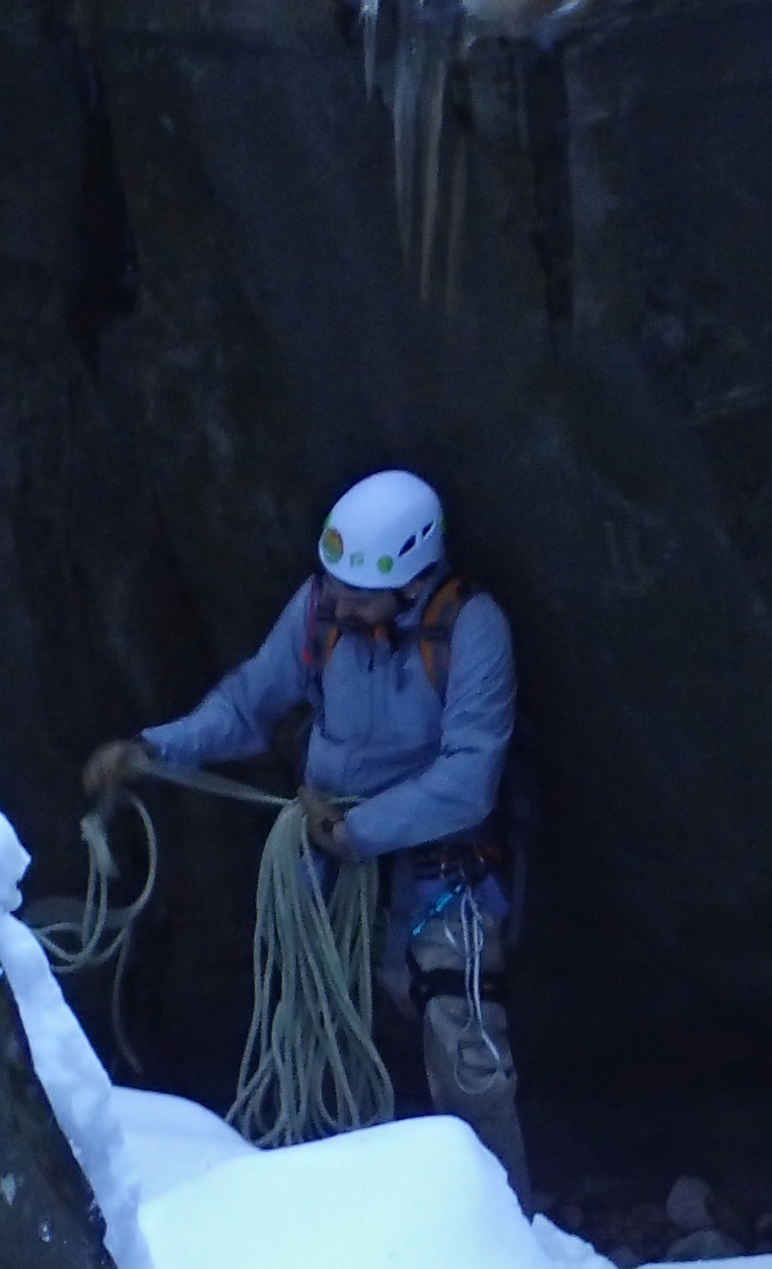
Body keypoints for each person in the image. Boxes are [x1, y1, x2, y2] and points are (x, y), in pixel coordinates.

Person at [84, 468, 529, 1197]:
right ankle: (328, 1218)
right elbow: (250, 703)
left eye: (360, 590)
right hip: (328, 860)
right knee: (315, 1034)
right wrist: (155, 746)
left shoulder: (471, 631)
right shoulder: (322, 607)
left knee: (467, 1049)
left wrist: (360, 829)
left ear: (414, 580)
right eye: (336, 583)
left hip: (440, 867)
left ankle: (508, 1229)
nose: (341, 600)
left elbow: (469, 775)